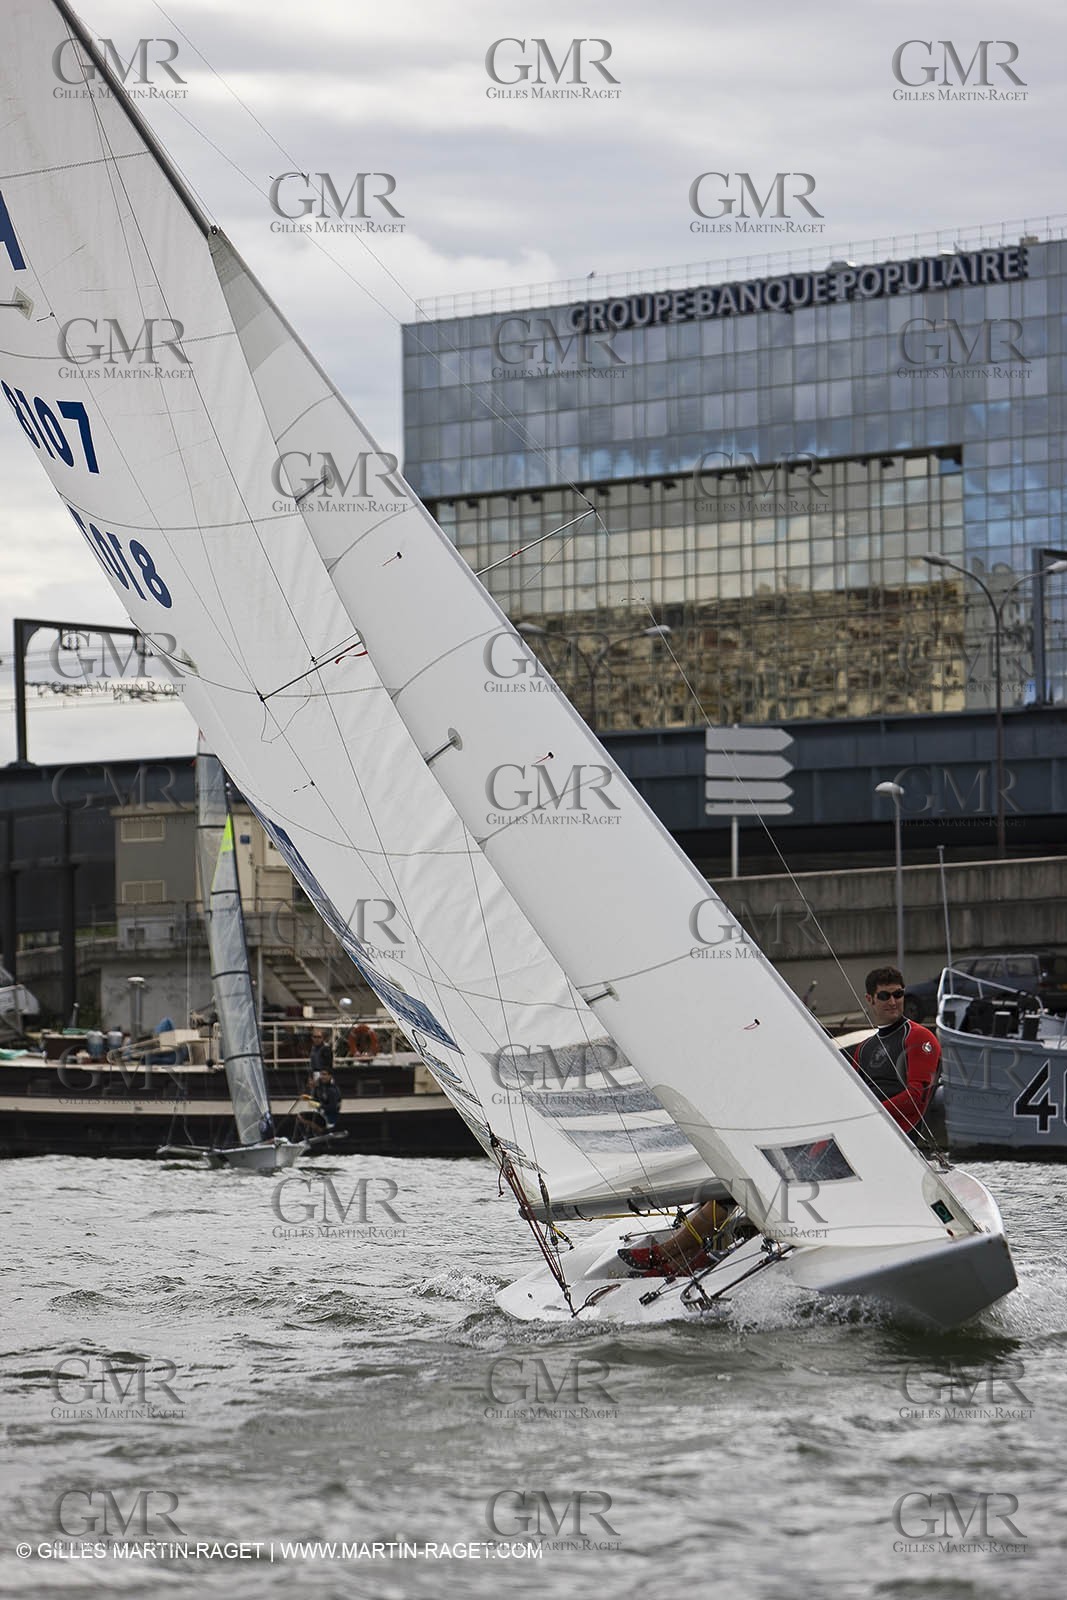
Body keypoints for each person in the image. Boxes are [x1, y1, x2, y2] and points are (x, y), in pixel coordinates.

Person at [851, 965, 940, 1136]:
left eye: (898, 994)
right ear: (869, 999)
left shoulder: (918, 1037)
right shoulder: (863, 1049)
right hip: (864, 1132)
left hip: (898, 1139)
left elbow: (916, 1097)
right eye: (884, 996)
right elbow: (851, 1098)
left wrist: (869, 1116)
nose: (893, 1002)